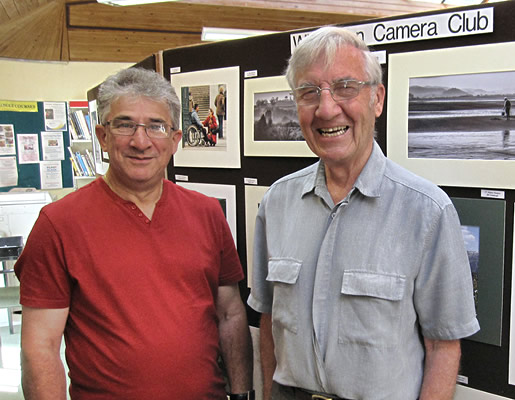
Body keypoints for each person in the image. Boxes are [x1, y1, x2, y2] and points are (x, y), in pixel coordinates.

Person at [248, 27, 479, 400]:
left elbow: (443, 347)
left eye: (345, 88)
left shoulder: (427, 211)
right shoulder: (277, 203)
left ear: (377, 99)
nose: (326, 109)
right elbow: (269, 320)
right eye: (309, 92)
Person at [15, 67, 254, 400]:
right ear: (102, 136)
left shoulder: (207, 213)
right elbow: (40, 346)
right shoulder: (58, 224)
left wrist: (242, 393)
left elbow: (229, 313)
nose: (140, 142)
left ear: (175, 140)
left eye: (156, 126)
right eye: (125, 124)